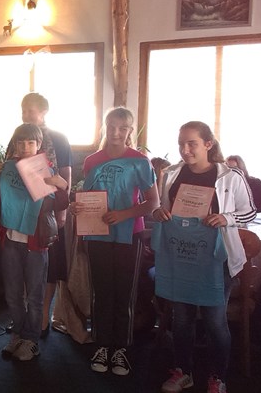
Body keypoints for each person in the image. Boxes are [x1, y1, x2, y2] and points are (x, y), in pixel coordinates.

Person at [154, 122, 255, 393]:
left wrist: (225, 218)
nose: (185, 150)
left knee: (214, 321)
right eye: (181, 144)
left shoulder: (230, 176)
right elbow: (163, 208)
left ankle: (217, 377)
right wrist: (159, 213)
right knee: (181, 318)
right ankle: (183, 371)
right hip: (181, 256)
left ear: (208, 144)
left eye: (192, 144)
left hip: (217, 259)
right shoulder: (171, 174)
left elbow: (249, 213)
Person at [75, 107, 159, 377]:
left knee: (124, 293)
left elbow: (153, 202)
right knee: (101, 292)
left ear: (130, 131)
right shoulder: (92, 160)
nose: (115, 132)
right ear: (105, 127)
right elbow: (87, 196)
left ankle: (121, 348)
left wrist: (123, 214)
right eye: (111, 126)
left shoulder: (140, 161)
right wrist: (78, 208)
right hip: (97, 234)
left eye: (122, 128)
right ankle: (101, 344)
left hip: (129, 235)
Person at [0, 124, 68, 361]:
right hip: (11, 240)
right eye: (21, 143)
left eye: (31, 143)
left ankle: (31, 340)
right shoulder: (7, 169)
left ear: (39, 145)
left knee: (35, 295)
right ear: (15, 145)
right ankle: (18, 333)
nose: (25, 147)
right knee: (12, 294)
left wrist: (61, 186)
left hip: (36, 243)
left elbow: (60, 204)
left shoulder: (46, 169)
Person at [7, 93, 72, 336]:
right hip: (18, 217)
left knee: (47, 267)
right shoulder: (17, 137)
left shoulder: (58, 138)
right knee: (19, 271)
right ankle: (24, 320)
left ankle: (43, 315)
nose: (26, 115)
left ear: (44, 112)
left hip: (46, 213)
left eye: (31, 111)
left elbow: (65, 175)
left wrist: (61, 212)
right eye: (23, 110)